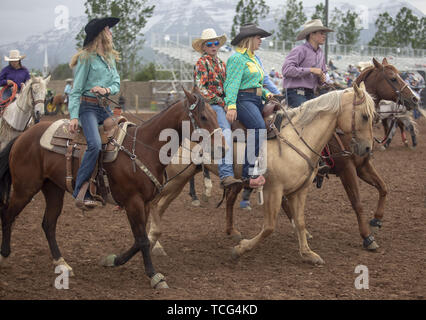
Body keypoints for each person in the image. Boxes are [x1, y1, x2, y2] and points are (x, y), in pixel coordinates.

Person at [68, 17, 121, 209]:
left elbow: (116, 83)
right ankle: (81, 190)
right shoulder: (86, 58)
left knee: (123, 138)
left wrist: (106, 90)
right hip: (87, 108)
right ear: (100, 34)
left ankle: (115, 189)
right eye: (108, 29)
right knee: (95, 144)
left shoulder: (110, 58)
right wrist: (74, 116)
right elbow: (76, 90)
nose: (111, 32)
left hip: (104, 107)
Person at [224, 23, 275, 188]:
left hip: (256, 99)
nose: (261, 40)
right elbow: (231, 84)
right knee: (259, 127)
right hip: (242, 99)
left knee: (277, 120)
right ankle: (250, 172)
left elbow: (257, 83)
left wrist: (268, 95)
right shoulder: (237, 58)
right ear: (249, 39)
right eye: (258, 37)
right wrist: (231, 105)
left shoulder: (253, 58)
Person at [192, 28, 241, 188]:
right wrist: (222, 103)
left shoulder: (222, 64)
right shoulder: (201, 63)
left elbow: (228, 86)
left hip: (224, 103)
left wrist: (231, 103)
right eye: (210, 44)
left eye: (216, 43)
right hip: (211, 105)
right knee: (225, 132)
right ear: (204, 47)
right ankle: (226, 174)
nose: (214, 46)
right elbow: (202, 89)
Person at [282, 19, 333, 108]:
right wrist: (311, 70)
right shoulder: (299, 50)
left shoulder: (321, 53)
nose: (324, 36)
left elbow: (321, 79)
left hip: (310, 93)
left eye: (324, 34)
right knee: (307, 113)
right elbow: (286, 70)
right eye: (321, 33)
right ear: (312, 34)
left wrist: (322, 79)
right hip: (295, 92)